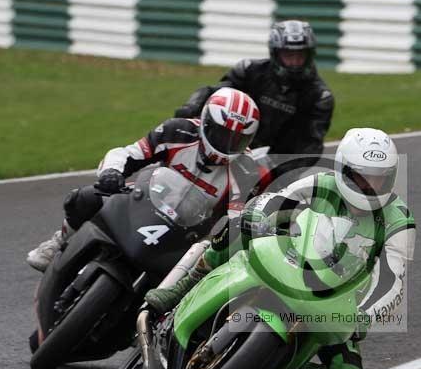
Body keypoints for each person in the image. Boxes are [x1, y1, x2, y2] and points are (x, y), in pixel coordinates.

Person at [143, 128, 416, 369]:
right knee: (237, 226)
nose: (371, 185)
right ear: (343, 170)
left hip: (335, 302)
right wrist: (259, 218)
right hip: (291, 260)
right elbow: (276, 201)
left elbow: (393, 281)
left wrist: (365, 317)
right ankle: (181, 289)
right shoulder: (321, 184)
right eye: (362, 177)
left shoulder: (399, 220)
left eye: (380, 178)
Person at [26, 88, 269, 272]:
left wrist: (216, 240)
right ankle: (60, 241)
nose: (226, 144)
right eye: (221, 134)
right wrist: (112, 172)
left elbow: (236, 219)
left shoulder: (245, 170)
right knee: (85, 198)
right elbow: (128, 153)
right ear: (206, 122)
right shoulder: (178, 131)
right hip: (148, 201)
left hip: (190, 237)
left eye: (235, 139)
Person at [174, 20, 334, 156]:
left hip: (274, 161)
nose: (294, 62)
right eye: (288, 55)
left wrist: (274, 171)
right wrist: (190, 107)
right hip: (229, 142)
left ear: (309, 55)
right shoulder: (249, 70)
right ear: (276, 53)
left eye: (299, 56)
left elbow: (311, 146)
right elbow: (215, 94)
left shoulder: (320, 97)